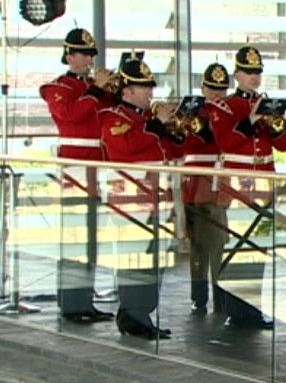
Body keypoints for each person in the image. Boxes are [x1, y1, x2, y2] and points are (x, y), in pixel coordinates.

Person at [99, 58, 184, 339]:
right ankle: (134, 314)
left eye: (150, 87)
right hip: (132, 203)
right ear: (127, 90)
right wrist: (156, 126)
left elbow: (170, 151)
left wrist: (174, 130)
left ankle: (141, 313)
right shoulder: (114, 117)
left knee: (155, 259)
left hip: (157, 199)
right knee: (135, 259)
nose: (150, 92)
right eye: (143, 87)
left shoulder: (146, 120)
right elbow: (125, 146)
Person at [207, 46, 286, 329]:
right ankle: (236, 309)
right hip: (238, 184)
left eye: (258, 72)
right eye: (249, 72)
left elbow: (284, 145)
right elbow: (225, 142)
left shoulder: (264, 103)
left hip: (264, 180)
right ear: (237, 74)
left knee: (260, 247)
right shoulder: (224, 107)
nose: (255, 77)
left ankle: (254, 308)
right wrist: (251, 121)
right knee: (237, 246)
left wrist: (274, 125)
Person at [39, 28, 115, 324]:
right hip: (75, 167)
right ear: (69, 56)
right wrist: (96, 89)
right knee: (75, 237)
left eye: (91, 55)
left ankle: (84, 299)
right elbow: (73, 115)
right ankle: (71, 303)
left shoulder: (93, 87)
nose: (88, 59)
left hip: (98, 166)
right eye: (83, 54)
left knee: (91, 237)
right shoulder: (59, 87)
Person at [181, 63, 231, 315]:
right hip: (193, 182)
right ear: (203, 88)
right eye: (212, 89)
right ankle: (199, 295)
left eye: (221, 90)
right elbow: (184, 141)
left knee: (216, 242)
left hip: (213, 183)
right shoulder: (193, 111)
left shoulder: (227, 111)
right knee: (198, 244)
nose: (217, 95)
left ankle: (219, 296)